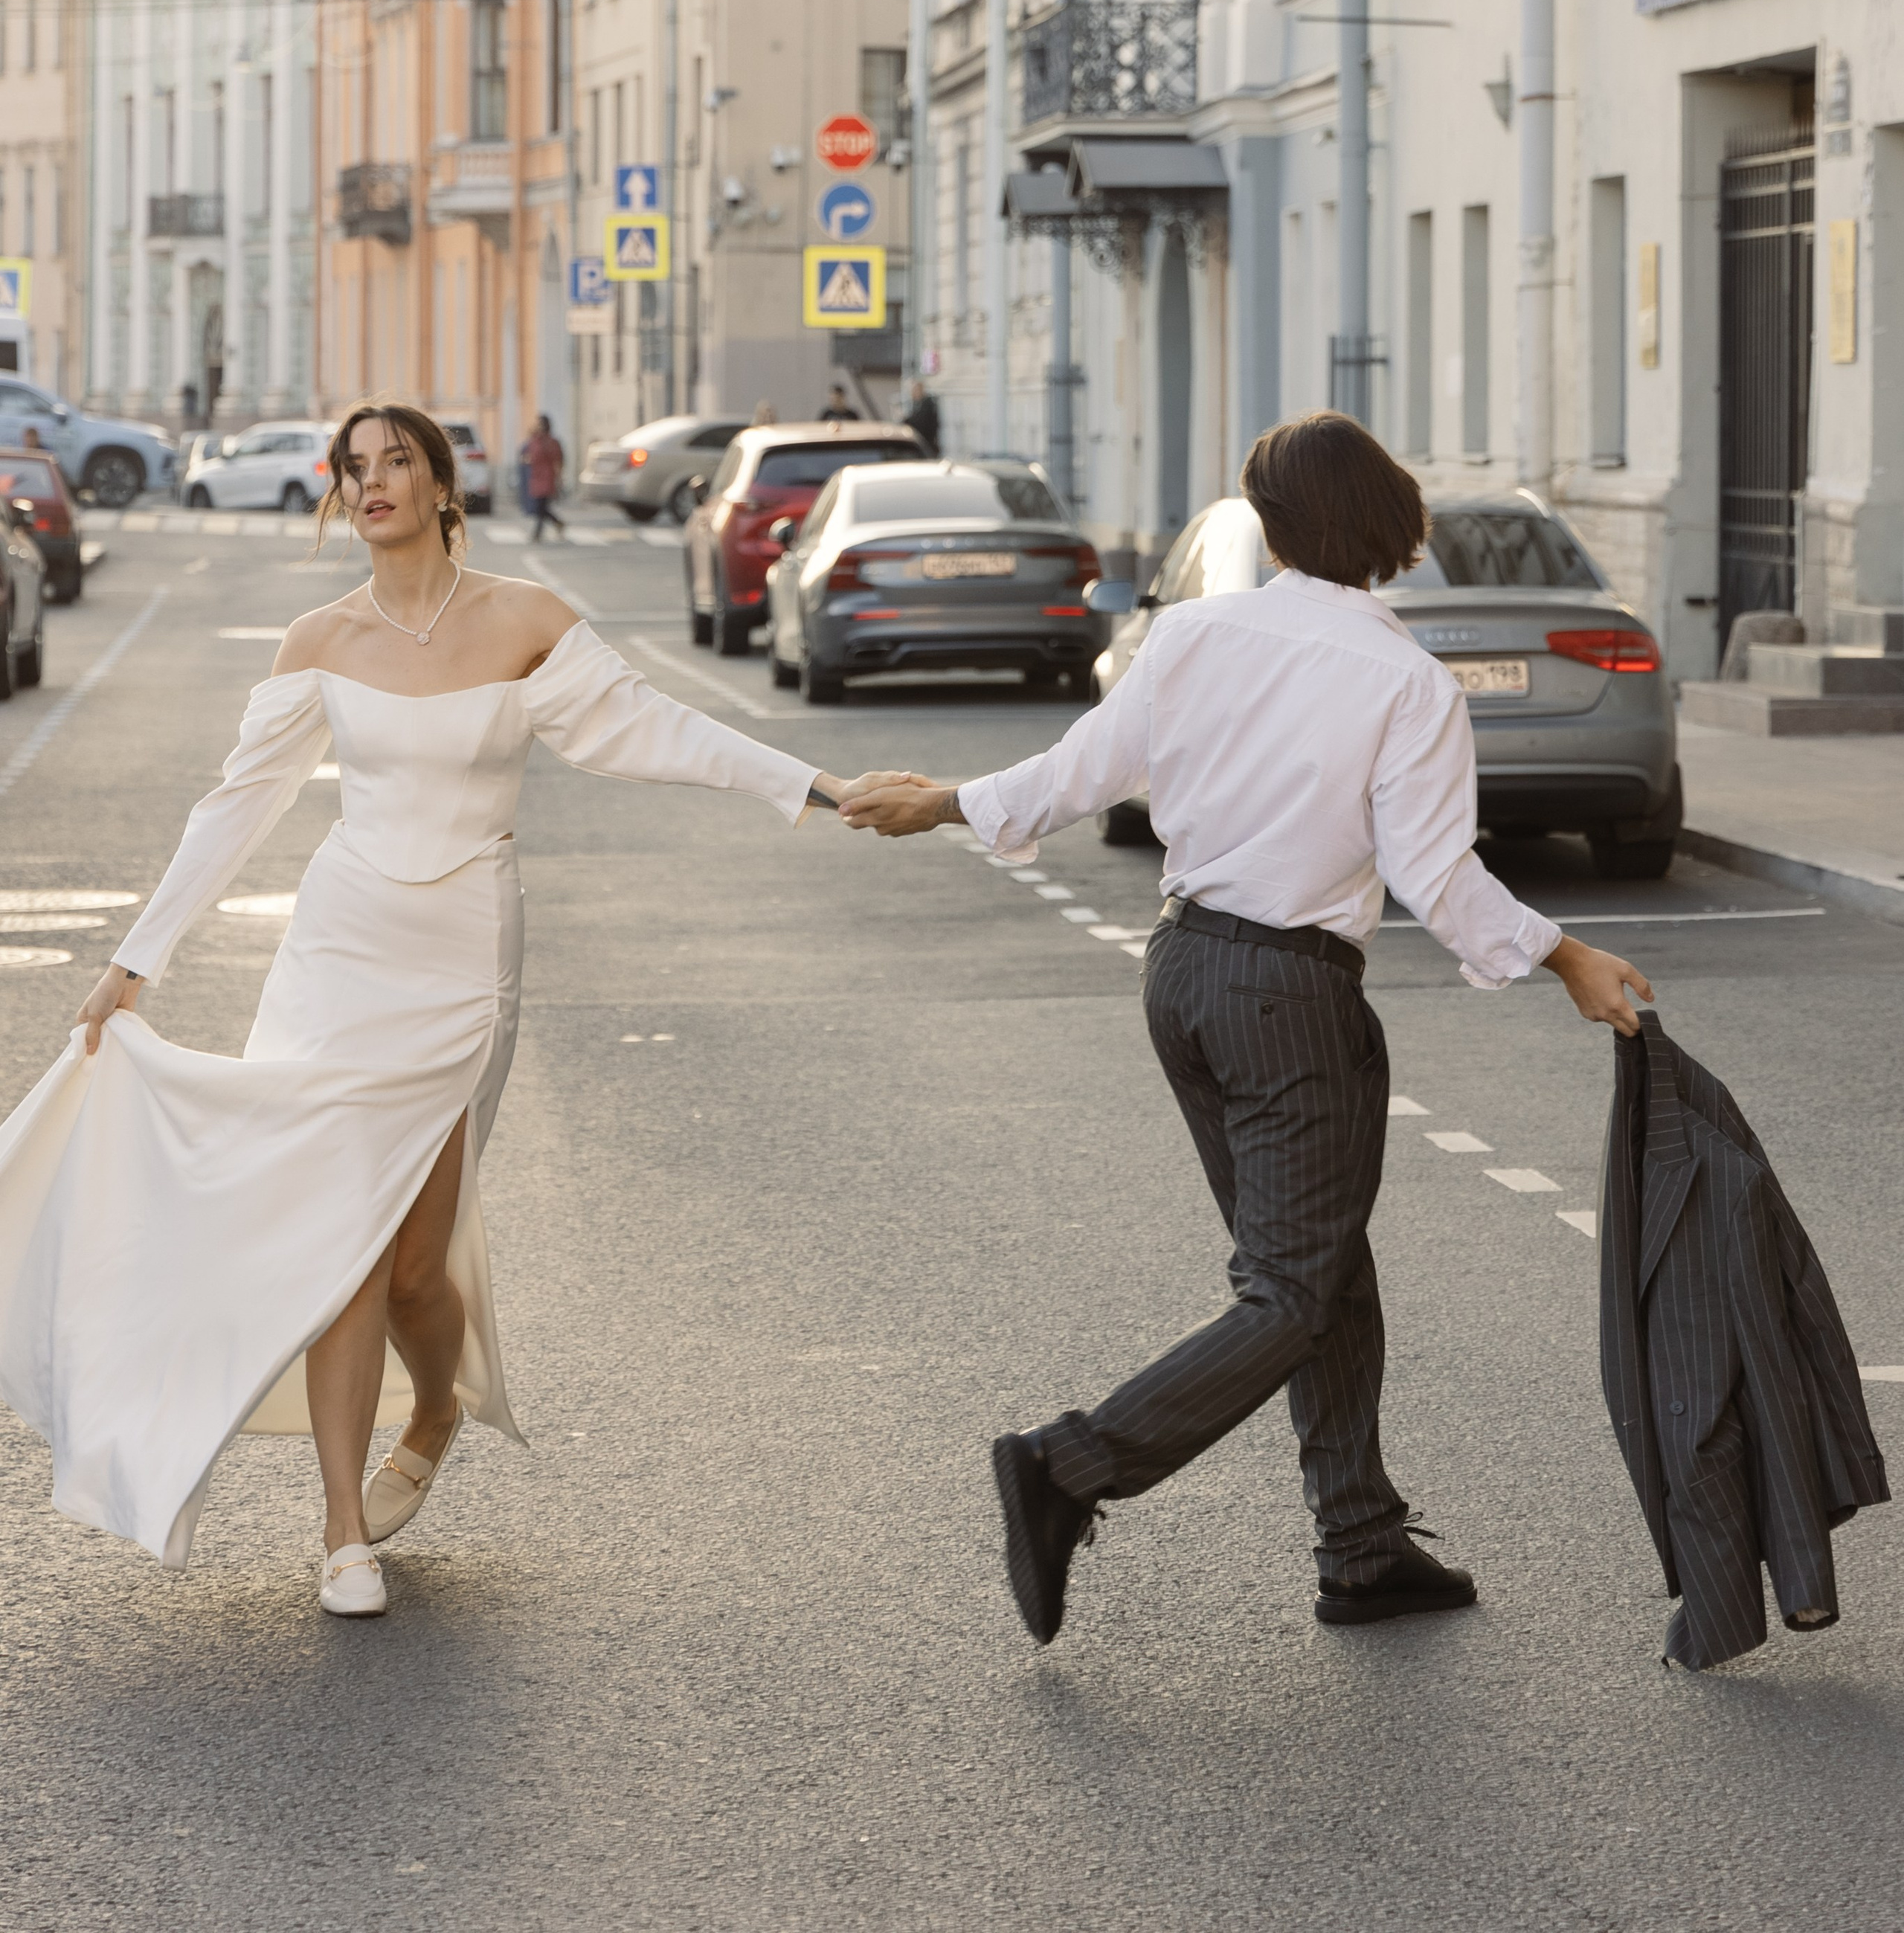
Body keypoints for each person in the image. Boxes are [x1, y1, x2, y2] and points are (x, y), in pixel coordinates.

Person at [0, 400, 904, 1618]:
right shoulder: (318, 640)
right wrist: (136, 962)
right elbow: (234, 811)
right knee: (342, 1239)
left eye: (397, 464)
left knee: (419, 1266)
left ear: (441, 488)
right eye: (353, 470)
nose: (373, 484)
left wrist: (815, 785)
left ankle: (432, 1406)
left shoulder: (525, 618)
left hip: (465, 958)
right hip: (340, 951)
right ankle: (339, 1535)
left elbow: (660, 729)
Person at [840, 412, 1657, 1647]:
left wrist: (946, 802)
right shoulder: (1406, 682)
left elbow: (1080, 770)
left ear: (1269, 523)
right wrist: (1572, 957)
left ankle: (1362, 1545)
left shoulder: (1195, 632)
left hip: (1182, 971)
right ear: (1395, 522)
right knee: (1289, 1286)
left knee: (1322, 1270)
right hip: (1287, 996)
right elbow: (1440, 879)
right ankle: (1070, 1465)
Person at [523, 413, 565, 540]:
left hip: (547, 476)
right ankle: (557, 522)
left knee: (541, 506)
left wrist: (559, 478)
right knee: (539, 506)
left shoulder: (552, 442)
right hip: (536, 476)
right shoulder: (534, 441)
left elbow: (558, 460)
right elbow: (529, 456)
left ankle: (537, 533)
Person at [902, 378, 941, 457]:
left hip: (926, 442)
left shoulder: (926, 405)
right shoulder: (919, 405)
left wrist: (906, 420)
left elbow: (920, 422)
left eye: (913, 391)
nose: (912, 394)